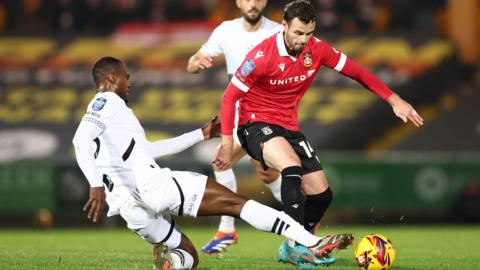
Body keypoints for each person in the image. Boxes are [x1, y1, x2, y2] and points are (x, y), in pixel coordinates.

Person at [72, 56, 354, 270]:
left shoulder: (113, 120)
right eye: (125, 76)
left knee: (188, 257)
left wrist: (200, 134)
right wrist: (95, 185)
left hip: (130, 210)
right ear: (111, 78)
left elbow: (148, 150)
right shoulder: (107, 101)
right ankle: (312, 242)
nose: (129, 82)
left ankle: (170, 262)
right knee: (238, 204)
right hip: (152, 187)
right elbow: (79, 139)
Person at [214, 0, 424, 264]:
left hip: (288, 126)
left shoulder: (317, 50)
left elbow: (357, 72)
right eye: (298, 33)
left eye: (309, 33)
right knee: (291, 168)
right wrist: (225, 142)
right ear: (284, 26)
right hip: (254, 124)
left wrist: (394, 99)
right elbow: (228, 98)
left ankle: (303, 241)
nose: (304, 40)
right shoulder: (261, 56)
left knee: (322, 195)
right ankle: (297, 244)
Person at [187, 0, 286, 255]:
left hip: (265, 110)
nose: (252, 4)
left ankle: (304, 218)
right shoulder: (225, 30)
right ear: (238, 2)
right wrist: (196, 62)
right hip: (239, 111)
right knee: (223, 160)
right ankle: (227, 228)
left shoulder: (277, 32)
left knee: (267, 173)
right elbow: (192, 65)